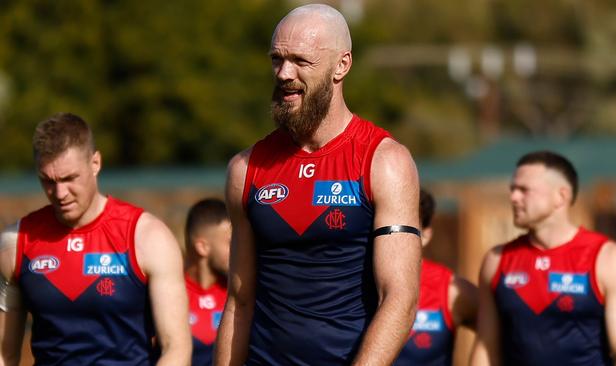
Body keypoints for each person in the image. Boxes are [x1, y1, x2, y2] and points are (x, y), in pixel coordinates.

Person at [215, 4, 421, 365]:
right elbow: (239, 300)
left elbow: (399, 300)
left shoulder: (385, 162)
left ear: (342, 65)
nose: (283, 73)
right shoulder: (245, 169)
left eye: (300, 61)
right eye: (277, 59)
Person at [0, 112, 191, 365]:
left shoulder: (147, 237)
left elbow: (176, 349)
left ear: (95, 163)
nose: (59, 193)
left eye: (69, 178)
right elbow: (4, 354)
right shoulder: (15, 243)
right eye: (47, 180)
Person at [470, 150, 616, 366]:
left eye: (524, 190)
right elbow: (486, 347)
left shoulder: (608, 258)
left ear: (561, 196)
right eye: (513, 189)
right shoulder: (497, 260)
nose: (513, 197)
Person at [395, 189, 477, 365]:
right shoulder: (352, 284)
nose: (394, 234)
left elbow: (504, 336)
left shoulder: (451, 290)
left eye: (405, 226)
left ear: (426, 234)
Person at [183, 198, 231, 366]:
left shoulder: (241, 296)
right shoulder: (169, 295)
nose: (239, 250)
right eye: (231, 243)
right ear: (202, 247)